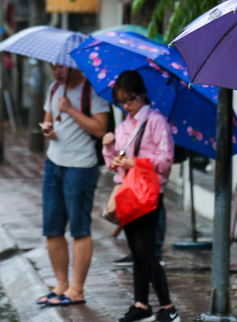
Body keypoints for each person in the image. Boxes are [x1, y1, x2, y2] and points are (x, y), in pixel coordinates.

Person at [102, 70, 178, 322]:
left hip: (148, 193)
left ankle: (167, 306)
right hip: (128, 192)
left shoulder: (156, 121)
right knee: (136, 251)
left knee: (147, 251)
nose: (126, 106)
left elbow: (166, 160)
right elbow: (114, 163)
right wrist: (108, 147)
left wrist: (136, 163)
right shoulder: (123, 126)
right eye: (121, 101)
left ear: (142, 95)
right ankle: (141, 304)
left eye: (130, 99)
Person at [36, 63, 110, 308]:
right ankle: (60, 284)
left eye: (61, 67)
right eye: (53, 67)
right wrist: (47, 129)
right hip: (54, 163)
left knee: (79, 227)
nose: (56, 71)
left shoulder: (92, 92)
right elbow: (48, 119)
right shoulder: (54, 87)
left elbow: (100, 129)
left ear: (73, 66)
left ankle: (77, 289)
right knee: (52, 228)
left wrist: (70, 110)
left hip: (81, 166)